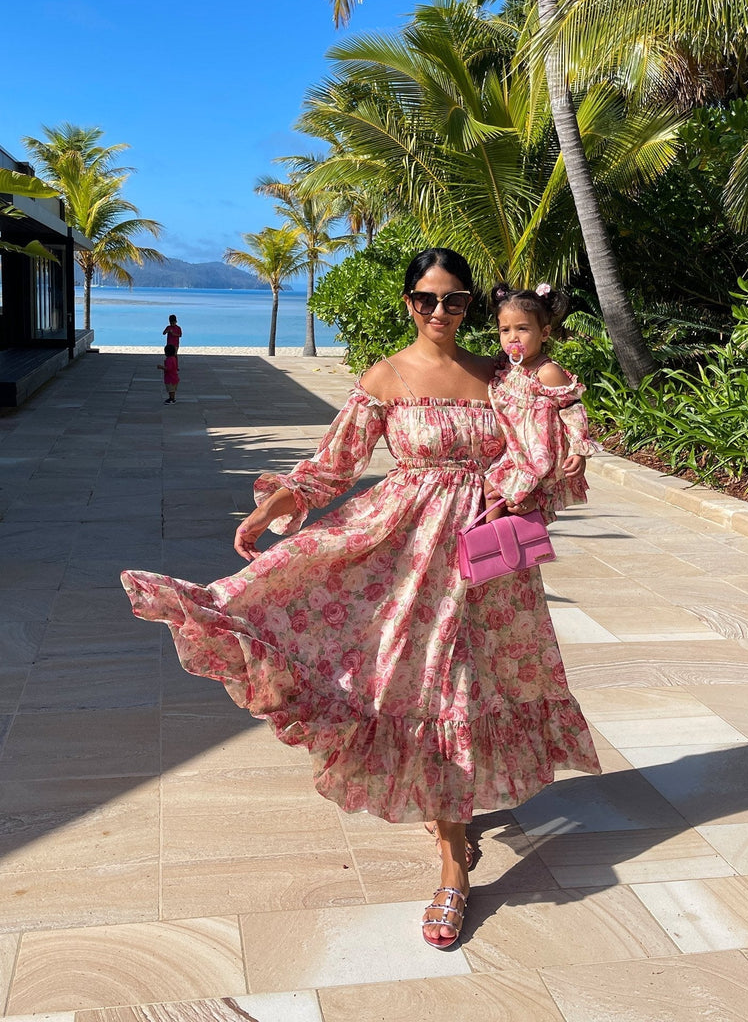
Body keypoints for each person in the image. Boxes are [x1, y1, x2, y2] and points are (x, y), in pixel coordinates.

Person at [121, 249, 599, 950]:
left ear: (471, 305)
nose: (441, 312)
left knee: (472, 686)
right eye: (428, 299)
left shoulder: (501, 374)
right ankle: (453, 864)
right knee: (429, 687)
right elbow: (333, 465)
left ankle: (450, 818)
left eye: (456, 299)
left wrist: (541, 463)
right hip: (405, 556)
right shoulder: (386, 376)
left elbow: (543, 450)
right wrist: (274, 505)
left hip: (487, 561)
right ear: (408, 303)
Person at [488, 282, 598, 522]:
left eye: (522, 328)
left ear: (544, 333)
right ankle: (494, 540)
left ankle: (523, 518)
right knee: (494, 497)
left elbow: (571, 409)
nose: (512, 337)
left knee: (503, 500)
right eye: (505, 330)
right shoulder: (507, 368)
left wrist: (579, 451)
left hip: (535, 457)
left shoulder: (546, 372)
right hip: (512, 451)